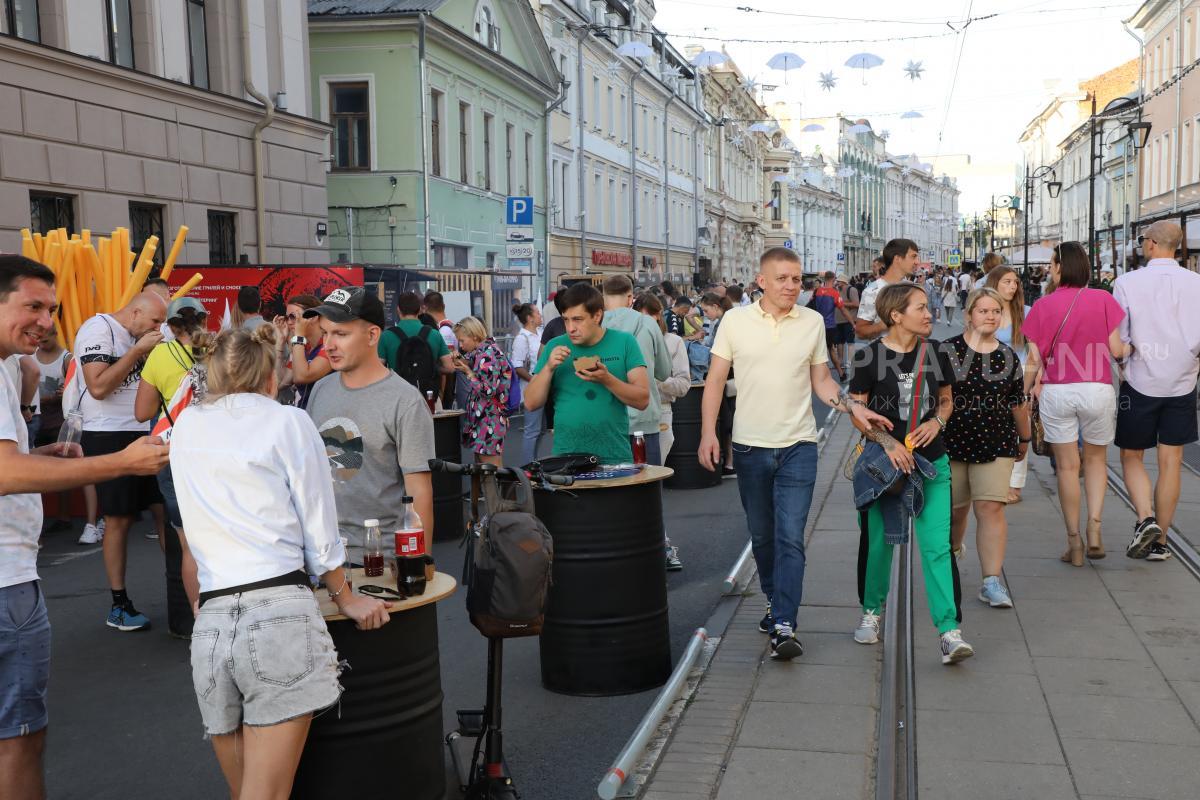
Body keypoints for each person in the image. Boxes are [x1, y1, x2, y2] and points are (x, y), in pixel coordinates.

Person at [170, 324, 390, 799]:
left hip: (211, 622)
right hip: (277, 616)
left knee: (247, 790)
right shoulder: (288, 422)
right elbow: (318, 523)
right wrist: (344, 596)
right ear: (271, 377)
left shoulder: (186, 426)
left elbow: (189, 532)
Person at [0, 255, 168, 800]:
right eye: (32, 307)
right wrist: (118, 462)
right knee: (19, 737)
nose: (47, 322)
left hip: (13, 571)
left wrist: (40, 451)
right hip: (5, 581)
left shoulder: (9, 364)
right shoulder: (97, 334)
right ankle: (118, 599)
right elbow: (4, 473)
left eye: (52, 308)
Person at [698, 248, 888, 660]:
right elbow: (715, 380)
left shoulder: (812, 322)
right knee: (763, 536)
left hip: (799, 446)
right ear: (762, 281)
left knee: (790, 538)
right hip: (750, 447)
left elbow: (820, 381)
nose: (791, 286)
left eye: (797, 279)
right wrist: (708, 434)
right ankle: (773, 600)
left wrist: (851, 406)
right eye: (782, 278)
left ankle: (784, 623)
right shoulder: (735, 320)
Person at [849, 282, 975, 665]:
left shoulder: (937, 352)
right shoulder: (869, 358)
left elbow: (947, 399)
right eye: (920, 307)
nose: (929, 313)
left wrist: (937, 421)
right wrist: (886, 443)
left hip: (931, 463)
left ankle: (949, 632)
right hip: (884, 467)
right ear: (895, 316)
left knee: (938, 547)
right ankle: (872, 612)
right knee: (878, 545)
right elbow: (857, 410)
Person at [305, 287, 436, 552]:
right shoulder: (321, 389)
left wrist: (418, 563)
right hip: (324, 557)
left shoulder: (405, 401)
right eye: (325, 333)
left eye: (341, 334)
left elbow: (420, 492)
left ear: (372, 335)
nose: (329, 345)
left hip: (382, 558)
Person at [1024, 241, 1128, 565]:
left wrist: (1025, 391)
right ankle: (1094, 528)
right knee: (1096, 462)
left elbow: (1032, 358)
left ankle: (1075, 544)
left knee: (1068, 468)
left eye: (1053, 265)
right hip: (1097, 390)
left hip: (1058, 392)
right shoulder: (1103, 299)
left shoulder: (1042, 306)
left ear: (1058, 268)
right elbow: (1117, 350)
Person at [73, 290, 170, 630]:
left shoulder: (149, 332)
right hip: (107, 432)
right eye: (155, 321)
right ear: (134, 314)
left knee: (167, 512)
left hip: (148, 428)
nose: (160, 327)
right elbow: (98, 387)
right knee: (119, 518)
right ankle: (119, 602)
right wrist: (137, 352)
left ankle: (182, 591)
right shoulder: (97, 330)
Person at [1114, 220, 1200, 561]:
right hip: (1182, 380)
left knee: (1132, 455)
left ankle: (1145, 518)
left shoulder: (1127, 282)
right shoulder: (1196, 283)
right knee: (1172, 461)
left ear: (1150, 244)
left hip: (1140, 380)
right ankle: (1161, 542)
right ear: (1177, 247)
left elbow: (1120, 338)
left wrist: (1123, 359)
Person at [945, 289, 1031, 609]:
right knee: (955, 511)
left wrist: (1024, 439)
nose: (991, 316)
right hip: (950, 444)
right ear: (969, 315)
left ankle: (991, 581)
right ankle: (952, 552)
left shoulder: (1008, 356)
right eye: (983, 311)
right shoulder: (947, 351)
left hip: (996, 443)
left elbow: (1017, 402)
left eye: (996, 311)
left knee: (990, 508)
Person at [133, 297, 212, 635]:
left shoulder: (161, 356)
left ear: (170, 325)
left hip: (175, 455)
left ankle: (202, 625)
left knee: (188, 546)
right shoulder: (218, 351)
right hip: (216, 453)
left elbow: (141, 412)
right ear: (204, 320)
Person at [524, 284, 649, 466]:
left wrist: (607, 379)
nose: (570, 328)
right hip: (566, 457)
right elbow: (530, 403)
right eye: (566, 320)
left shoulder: (624, 342)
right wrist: (548, 368)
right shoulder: (554, 346)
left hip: (614, 456)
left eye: (577, 319)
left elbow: (642, 400)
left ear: (597, 315)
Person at [602, 275, 672, 465]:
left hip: (607, 420)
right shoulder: (648, 324)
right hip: (644, 419)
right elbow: (664, 372)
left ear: (604, 297)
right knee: (647, 487)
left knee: (612, 486)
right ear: (630, 297)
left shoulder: (595, 327)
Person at [986, 266, 1033, 504]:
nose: (1012, 286)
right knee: (995, 427)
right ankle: (996, 480)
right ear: (994, 283)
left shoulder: (1026, 313)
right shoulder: (985, 311)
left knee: (1019, 430)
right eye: (1006, 282)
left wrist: (1031, 385)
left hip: (1020, 375)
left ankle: (1015, 484)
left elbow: (1036, 352)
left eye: (1015, 282)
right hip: (990, 378)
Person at [452, 316, 513, 467]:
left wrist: (469, 373)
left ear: (474, 336)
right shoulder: (483, 351)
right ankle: (487, 492)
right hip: (486, 419)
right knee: (483, 470)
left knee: (491, 472)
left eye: (462, 340)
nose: (460, 345)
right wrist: (460, 360)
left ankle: (497, 492)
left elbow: (488, 391)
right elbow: (469, 360)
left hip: (489, 420)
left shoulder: (487, 355)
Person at [378, 291, 454, 400]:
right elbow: (450, 368)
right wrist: (433, 368)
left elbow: (378, 369)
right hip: (428, 398)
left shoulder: (386, 336)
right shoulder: (434, 334)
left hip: (397, 398)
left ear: (398, 310)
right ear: (419, 310)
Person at [272, 294, 332, 410]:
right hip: (305, 415)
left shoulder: (328, 344)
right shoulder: (303, 347)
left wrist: (298, 336)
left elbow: (301, 377)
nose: (289, 322)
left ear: (313, 317)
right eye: (287, 318)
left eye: (293, 316)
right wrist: (280, 343)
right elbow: (279, 382)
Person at [855, 239, 921, 341]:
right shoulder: (873, 291)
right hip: (885, 354)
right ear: (897, 259)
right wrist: (884, 325)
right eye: (913, 256)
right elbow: (860, 332)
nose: (917, 262)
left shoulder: (912, 288)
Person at [511, 303, 545, 465]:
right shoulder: (521, 338)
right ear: (530, 318)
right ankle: (527, 467)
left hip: (544, 387)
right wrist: (536, 381)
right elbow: (517, 366)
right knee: (532, 431)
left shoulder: (540, 333)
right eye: (537, 313)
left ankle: (534, 462)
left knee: (541, 430)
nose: (541, 315)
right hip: (532, 389)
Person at [423, 290, 459, 408]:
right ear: (443, 306)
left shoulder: (443, 331)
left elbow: (445, 365)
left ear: (425, 308)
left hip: (446, 388)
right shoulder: (450, 326)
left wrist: (441, 396)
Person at [809, 271, 846, 381]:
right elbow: (843, 309)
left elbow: (811, 304)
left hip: (817, 326)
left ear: (824, 279)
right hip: (830, 326)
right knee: (831, 350)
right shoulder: (834, 293)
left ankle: (816, 376)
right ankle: (841, 373)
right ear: (833, 279)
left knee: (816, 351)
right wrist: (853, 322)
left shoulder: (817, 291)